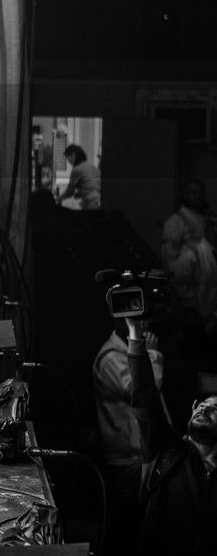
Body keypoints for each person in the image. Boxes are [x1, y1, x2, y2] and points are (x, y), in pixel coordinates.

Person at [126, 316, 217, 556]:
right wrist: (134, 332)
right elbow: (145, 397)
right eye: (201, 405)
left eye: (215, 408)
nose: (204, 408)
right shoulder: (166, 451)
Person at [92, 319, 165, 556]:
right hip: (128, 462)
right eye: (136, 318)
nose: (144, 323)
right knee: (129, 531)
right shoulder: (110, 357)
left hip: (143, 456)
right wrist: (152, 353)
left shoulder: (127, 353)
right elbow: (145, 391)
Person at [161, 179, 217, 322]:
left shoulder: (204, 218)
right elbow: (171, 266)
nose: (198, 196)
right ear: (185, 195)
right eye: (193, 193)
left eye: (200, 193)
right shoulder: (175, 222)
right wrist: (188, 302)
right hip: (189, 291)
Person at [58, 144, 101, 210]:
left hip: (92, 203)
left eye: (68, 158)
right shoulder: (92, 167)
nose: (68, 162)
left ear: (73, 156)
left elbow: (69, 192)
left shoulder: (76, 170)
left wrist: (58, 199)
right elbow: (92, 186)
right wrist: (80, 193)